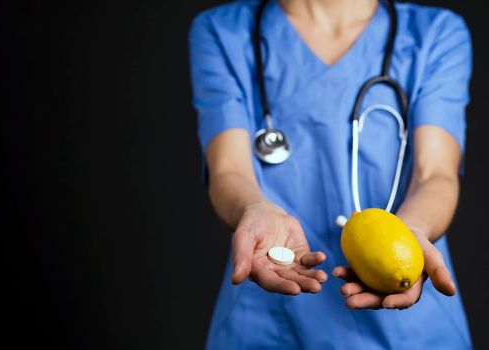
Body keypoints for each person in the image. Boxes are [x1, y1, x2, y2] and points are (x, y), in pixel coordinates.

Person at [188, 0, 473, 348]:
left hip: (410, 332)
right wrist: (253, 209)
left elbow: (435, 175)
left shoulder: (435, 33)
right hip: (268, 326)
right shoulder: (223, 31)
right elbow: (228, 170)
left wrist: (410, 233)